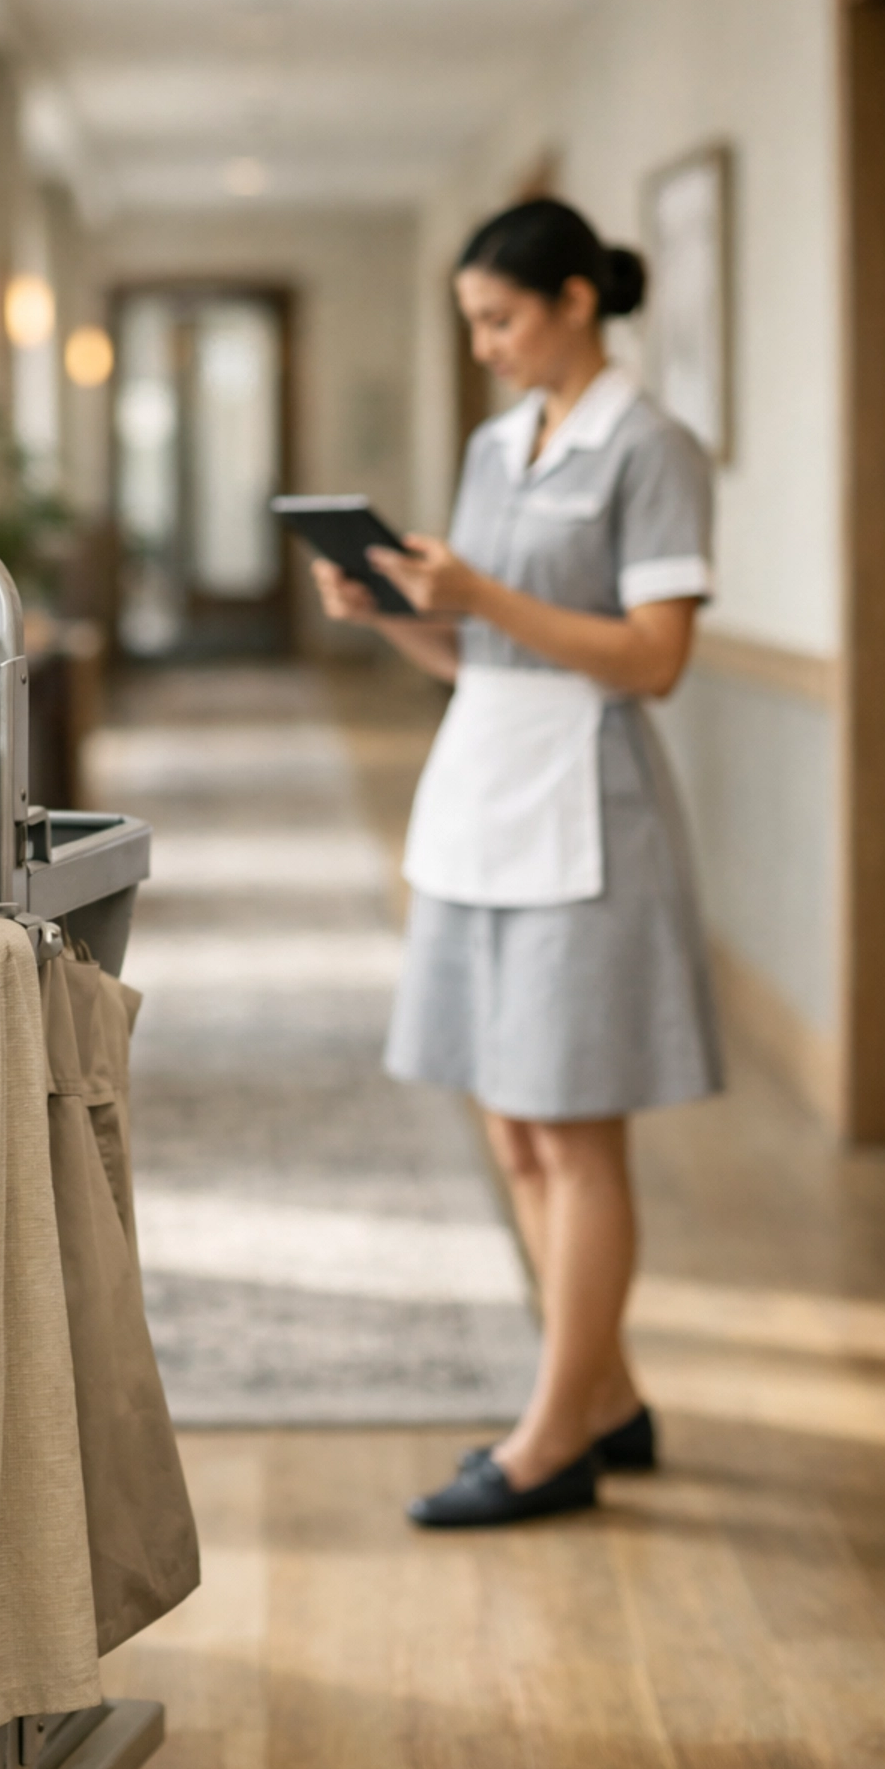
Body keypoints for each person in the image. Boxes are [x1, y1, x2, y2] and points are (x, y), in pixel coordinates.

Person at [312, 197, 721, 1529]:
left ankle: (554, 1440)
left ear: (576, 303)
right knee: (511, 1124)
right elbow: (479, 651)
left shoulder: (651, 448)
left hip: (587, 803)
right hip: (484, 782)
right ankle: (602, 1394)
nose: (483, 345)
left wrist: (479, 595)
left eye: (499, 318)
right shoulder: (498, 448)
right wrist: (394, 615)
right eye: (471, 323)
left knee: (572, 1125)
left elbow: (653, 660)